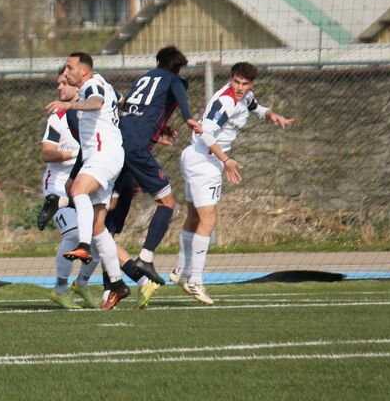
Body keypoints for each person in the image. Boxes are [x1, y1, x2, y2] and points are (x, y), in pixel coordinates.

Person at [174, 62, 293, 305]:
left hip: (197, 159)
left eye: (244, 84)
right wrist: (226, 160)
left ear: (251, 84)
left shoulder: (246, 97)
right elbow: (204, 133)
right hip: (205, 162)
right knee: (209, 221)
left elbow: (256, 107)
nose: (239, 87)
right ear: (231, 79)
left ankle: (179, 271)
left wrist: (272, 115)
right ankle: (195, 279)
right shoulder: (226, 101)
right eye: (236, 82)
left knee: (194, 218)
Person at [104, 45, 203, 309]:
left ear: (158, 61)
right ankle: (145, 258)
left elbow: (133, 109)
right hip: (136, 148)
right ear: (178, 67)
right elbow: (180, 97)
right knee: (167, 203)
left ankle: (110, 286)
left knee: (107, 216)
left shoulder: (144, 78)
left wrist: (161, 128)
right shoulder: (175, 80)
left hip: (117, 143)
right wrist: (189, 118)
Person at [46, 52, 129, 309]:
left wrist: (70, 106)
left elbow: (95, 102)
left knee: (78, 190)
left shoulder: (91, 85)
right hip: (107, 156)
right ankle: (118, 284)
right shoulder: (103, 83)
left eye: (69, 68)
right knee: (98, 227)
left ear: (84, 70)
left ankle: (82, 245)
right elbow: (118, 102)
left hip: (104, 155)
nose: (66, 72)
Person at [39, 73, 99, 309]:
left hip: (87, 184)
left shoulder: (94, 116)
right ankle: (60, 289)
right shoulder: (58, 117)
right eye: (58, 84)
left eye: (64, 83)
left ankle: (81, 284)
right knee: (74, 235)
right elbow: (47, 152)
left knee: (99, 238)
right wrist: (76, 154)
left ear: (78, 87)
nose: (60, 87)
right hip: (58, 187)